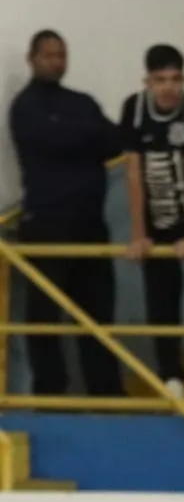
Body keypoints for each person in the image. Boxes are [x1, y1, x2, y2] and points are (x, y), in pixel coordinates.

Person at [8, 30, 124, 397]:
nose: (56, 61)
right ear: (32, 59)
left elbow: (115, 141)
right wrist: (85, 139)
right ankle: (51, 398)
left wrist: (81, 138)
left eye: (61, 54)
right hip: (46, 226)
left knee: (98, 317)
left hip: (90, 225)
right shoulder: (24, 107)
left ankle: (107, 395)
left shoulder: (82, 102)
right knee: (45, 320)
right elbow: (55, 142)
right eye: (48, 55)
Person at [120, 44, 184, 402]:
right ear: (147, 81)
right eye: (160, 79)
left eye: (175, 79)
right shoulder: (134, 110)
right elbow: (133, 173)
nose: (168, 87)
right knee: (161, 297)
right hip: (157, 214)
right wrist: (139, 234)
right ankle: (170, 374)